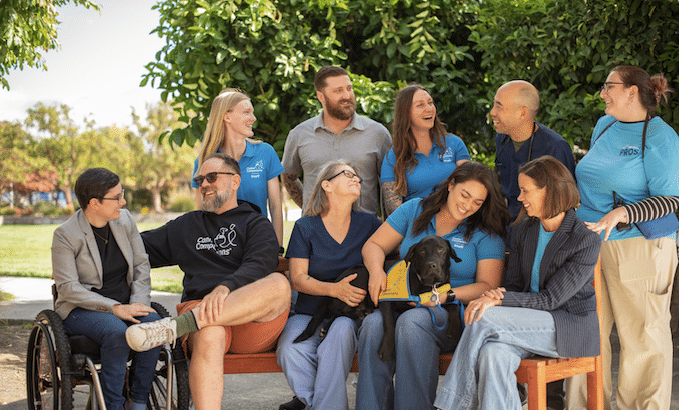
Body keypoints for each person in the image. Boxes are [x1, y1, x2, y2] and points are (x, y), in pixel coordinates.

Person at [433, 155, 602, 410]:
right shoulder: (525, 230)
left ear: (549, 190)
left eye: (525, 191)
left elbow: (551, 299)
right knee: (493, 355)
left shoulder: (585, 240)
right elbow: (512, 286)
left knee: (482, 316)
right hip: (523, 323)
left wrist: (498, 299)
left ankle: (452, 404)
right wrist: (496, 295)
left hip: (566, 325)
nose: (520, 198)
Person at [125, 153, 291, 410]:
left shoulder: (255, 222)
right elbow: (138, 249)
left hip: (251, 322)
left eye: (211, 177)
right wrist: (84, 250)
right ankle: (187, 325)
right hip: (205, 316)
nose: (203, 184)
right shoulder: (187, 226)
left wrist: (225, 288)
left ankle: (176, 326)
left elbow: (261, 264)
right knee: (209, 331)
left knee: (279, 284)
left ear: (234, 181)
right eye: (199, 179)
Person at [356, 161, 511, 410]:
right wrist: (376, 271)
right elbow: (374, 245)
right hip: (404, 301)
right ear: (451, 185)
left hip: (452, 315)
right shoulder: (415, 210)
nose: (468, 205)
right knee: (374, 325)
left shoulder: (485, 233)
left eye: (478, 202)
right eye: (465, 195)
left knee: (412, 322)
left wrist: (444, 296)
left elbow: (487, 285)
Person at [569, 66, 679, 410]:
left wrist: (624, 213)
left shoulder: (660, 136)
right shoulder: (604, 127)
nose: (603, 93)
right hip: (591, 245)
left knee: (643, 337)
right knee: (588, 333)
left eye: (609, 86)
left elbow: (671, 200)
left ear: (632, 92)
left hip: (639, 248)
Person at [52, 167, 161, 410]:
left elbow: (141, 263)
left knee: (154, 326)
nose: (123, 202)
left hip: (128, 301)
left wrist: (140, 301)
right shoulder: (65, 235)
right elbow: (68, 288)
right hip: (83, 309)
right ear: (94, 203)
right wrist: (115, 308)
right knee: (116, 332)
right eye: (116, 197)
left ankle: (139, 402)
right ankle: (114, 405)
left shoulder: (125, 219)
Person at [276, 160, 382, 410]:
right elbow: (298, 278)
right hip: (309, 312)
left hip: (349, 315)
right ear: (327, 185)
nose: (356, 178)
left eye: (358, 176)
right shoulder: (306, 227)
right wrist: (334, 289)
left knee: (338, 337)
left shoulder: (370, 224)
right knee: (290, 350)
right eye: (348, 174)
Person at [281, 65, 392, 215]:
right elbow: (288, 176)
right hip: (315, 234)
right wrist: (311, 209)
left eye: (349, 88)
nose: (347, 95)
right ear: (321, 97)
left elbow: (390, 185)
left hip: (367, 232)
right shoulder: (299, 134)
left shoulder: (377, 133)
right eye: (338, 90)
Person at [191, 88, 285, 247]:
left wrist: (277, 250)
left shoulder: (265, 153)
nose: (253, 118)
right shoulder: (205, 161)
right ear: (226, 116)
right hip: (221, 248)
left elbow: (275, 207)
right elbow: (200, 213)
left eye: (252, 112)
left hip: (258, 244)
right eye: (246, 112)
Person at [381, 83, 470, 217]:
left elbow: (471, 186)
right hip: (418, 226)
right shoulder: (394, 157)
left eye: (430, 103)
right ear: (405, 113)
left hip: (457, 221)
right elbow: (394, 210)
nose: (429, 109)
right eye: (420, 105)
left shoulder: (454, 143)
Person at [491, 80, 576, 219]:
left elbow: (565, 204)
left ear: (522, 113)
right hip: (506, 222)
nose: (492, 112)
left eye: (499, 107)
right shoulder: (502, 138)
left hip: (537, 226)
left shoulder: (555, 147)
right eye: (494, 104)